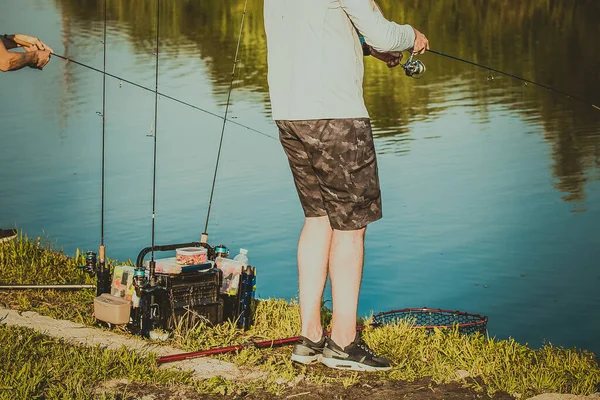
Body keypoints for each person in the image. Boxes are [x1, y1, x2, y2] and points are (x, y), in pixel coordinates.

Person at [263, 0, 429, 371]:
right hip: (336, 117)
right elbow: (385, 31)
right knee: (351, 229)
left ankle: (309, 338)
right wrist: (410, 37)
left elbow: (312, 35)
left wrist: (367, 49)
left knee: (317, 218)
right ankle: (343, 342)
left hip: (290, 115)